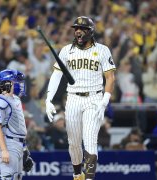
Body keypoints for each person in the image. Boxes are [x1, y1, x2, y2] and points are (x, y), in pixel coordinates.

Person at [45, 16, 116, 180]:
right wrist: (48, 99)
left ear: (90, 31)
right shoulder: (66, 50)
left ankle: (89, 178)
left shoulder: (103, 50)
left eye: (82, 28)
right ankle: (77, 174)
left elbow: (110, 77)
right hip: (73, 99)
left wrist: (105, 101)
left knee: (90, 140)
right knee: (74, 143)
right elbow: (56, 75)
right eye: (76, 28)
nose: (78, 31)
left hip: (94, 98)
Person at [0, 69, 33, 180]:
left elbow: (18, 128)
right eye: (14, 81)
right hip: (8, 143)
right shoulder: (0, 101)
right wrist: (4, 150)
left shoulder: (16, 99)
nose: (18, 83)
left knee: (16, 178)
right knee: (9, 178)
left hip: (18, 143)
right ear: (6, 83)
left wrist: (24, 148)